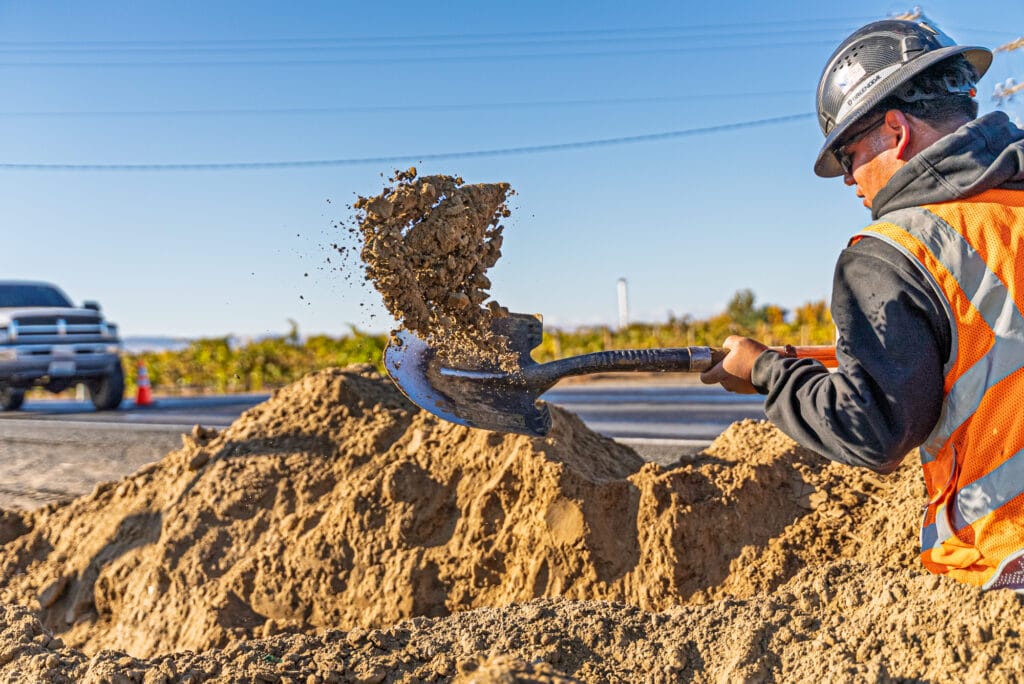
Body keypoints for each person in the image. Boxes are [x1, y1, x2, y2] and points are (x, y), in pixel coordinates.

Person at [700, 17, 1024, 590]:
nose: (848, 180)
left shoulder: (894, 255)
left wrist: (765, 373)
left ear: (895, 130)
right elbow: (989, 344)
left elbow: (872, 429)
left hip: (1004, 562)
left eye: (847, 155)